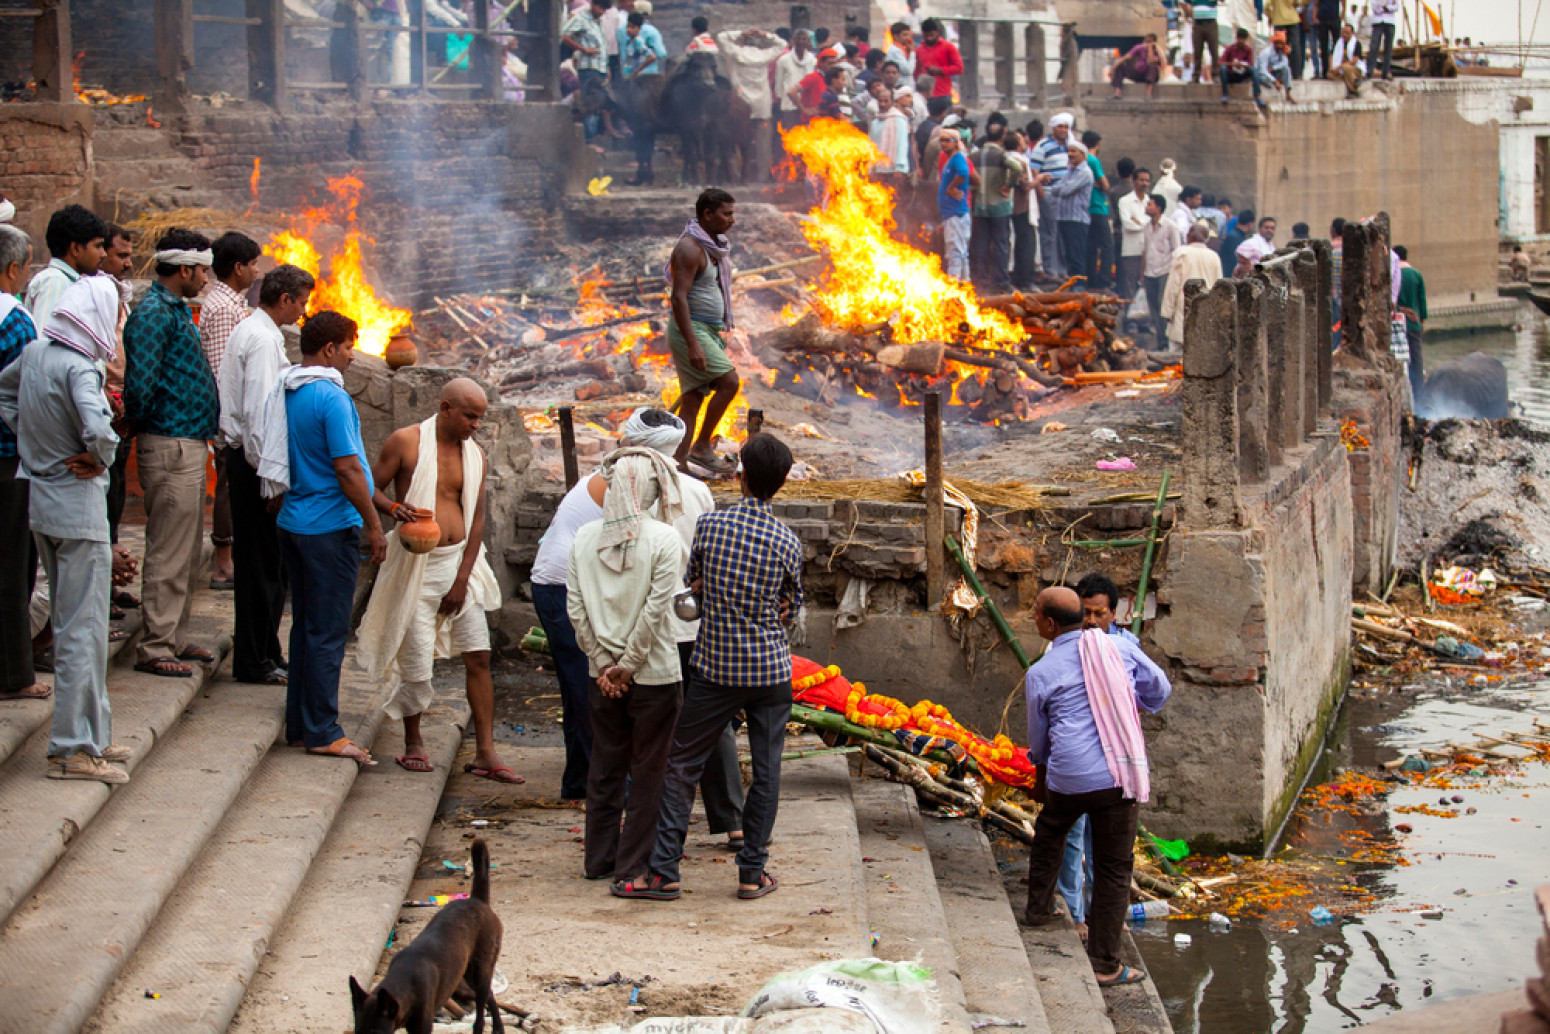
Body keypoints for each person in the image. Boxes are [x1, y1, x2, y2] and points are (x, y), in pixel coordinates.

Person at [624, 434, 802, 902]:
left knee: (682, 764)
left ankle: (663, 872)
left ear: (738, 475)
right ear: (780, 485)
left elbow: (692, 587)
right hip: (769, 672)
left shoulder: (711, 525)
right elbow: (791, 607)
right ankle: (751, 874)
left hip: (716, 667)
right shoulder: (788, 540)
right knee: (766, 772)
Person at [0, 276, 129, 782]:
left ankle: (92, 736)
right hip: (75, 506)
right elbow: (99, 431)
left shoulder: (34, 353)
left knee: (80, 623)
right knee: (82, 629)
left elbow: (4, 396)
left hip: (43, 500)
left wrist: (33, 444)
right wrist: (100, 457)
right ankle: (73, 748)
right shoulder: (78, 366)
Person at [359, 378, 517, 783]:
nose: (476, 425)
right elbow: (367, 487)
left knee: (479, 655)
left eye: (480, 417)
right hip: (416, 565)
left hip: (458, 563)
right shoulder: (405, 442)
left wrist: (463, 576)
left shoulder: (475, 454)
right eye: (470, 415)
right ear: (445, 408)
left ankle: (486, 751)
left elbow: (477, 518)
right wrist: (393, 508)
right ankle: (413, 743)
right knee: (416, 659)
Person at [259, 311, 393, 768]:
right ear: (331, 349)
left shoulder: (291, 388)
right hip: (328, 529)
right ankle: (323, 731)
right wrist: (375, 526)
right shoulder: (332, 398)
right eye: (350, 346)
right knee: (328, 633)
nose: (354, 355)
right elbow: (348, 468)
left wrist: (390, 506)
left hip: (295, 522)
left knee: (306, 628)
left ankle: (301, 724)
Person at [1021, 587, 1171, 987]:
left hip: (1068, 775)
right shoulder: (1119, 649)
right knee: (1114, 867)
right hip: (1115, 775)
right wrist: (1127, 703)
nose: (1032, 619)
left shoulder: (1041, 671)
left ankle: (1038, 910)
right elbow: (1160, 688)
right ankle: (1105, 964)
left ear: (1050, 625)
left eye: (1034, 613)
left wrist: (1042, 775)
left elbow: (1039, 741)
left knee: (1051, 832)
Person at [566, 445, 686, 888]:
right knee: (650, 773)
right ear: (653, 492)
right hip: (653, 675)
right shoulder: (666, 540)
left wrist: (604, 664)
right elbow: (657, 611)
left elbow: (575, 610)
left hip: (602, 677)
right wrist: (629, 666)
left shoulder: (583, 538)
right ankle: (632, 867)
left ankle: (598, 860)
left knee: (606, 766)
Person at [122, 228, 219, 680]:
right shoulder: (153, 315)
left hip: (188, 442)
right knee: (166, 547)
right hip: (169, 442)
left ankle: (174, 637)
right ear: (183, 269)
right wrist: (138, 423)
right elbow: (140, 385)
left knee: (184, 548)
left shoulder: (175, 311)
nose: (205, 278)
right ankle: (155, 644)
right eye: (202, 270)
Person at [217, 264, 314, 687]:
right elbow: (258, 417)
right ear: (285, 299)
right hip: (253, 466)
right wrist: (271, 480)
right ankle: (254, 659)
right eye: (302, 302)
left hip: (254, 464)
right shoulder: (258, 339)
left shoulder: (262, 334)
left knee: (269, 567)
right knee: (259, 567)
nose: (303, 311)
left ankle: (266, 652)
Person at [199, 231, 262, 591]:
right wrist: (232, 426)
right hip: (229, 420)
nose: (256, 271)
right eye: (252, 264)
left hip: (234, 419)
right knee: (225, 486)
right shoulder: (223, 309)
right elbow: (225, 372)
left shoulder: (233, 304)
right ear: (237, 268)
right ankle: (223, 564)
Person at [0, 224, 46, 704]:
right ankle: (14, 673)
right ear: (13, 269)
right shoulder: (16, 322)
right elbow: (23, 394)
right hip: (8, 460)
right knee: (13, 567)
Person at [665, 189, 741, 475]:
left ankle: (679, 461)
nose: (732, 220)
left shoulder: (711, 247)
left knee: (693, 399)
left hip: (706, 329)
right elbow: (678, 298)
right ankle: (702, 448)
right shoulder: (689, 248)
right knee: (730, 383)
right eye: (726, 214)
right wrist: (694, 344)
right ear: (707, 215)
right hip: (691, 329)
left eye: (733, 213)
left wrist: (712, 333)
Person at [99, 225, 136, 558]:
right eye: (120, 255)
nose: (127, 263)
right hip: (104, 407)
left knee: (116, 495)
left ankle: (110, 576)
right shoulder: (97, 297)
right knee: (104, 496)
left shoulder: (119, 295)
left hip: (120, 408)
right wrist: (110, 399)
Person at [24, 205, 106, 333]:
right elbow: (45, 340)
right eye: (98, 246)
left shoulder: (70, 282)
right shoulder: (54, 282)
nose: (103, 254)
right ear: (75, 249)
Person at [971, 122, 1022, 294]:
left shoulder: (974, 156)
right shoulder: (1001, 155)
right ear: (1002, 137)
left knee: (981, 245)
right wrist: (1009, 185)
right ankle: (1002, 282)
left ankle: (981, 281)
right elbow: (1017, 167)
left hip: (980, 207)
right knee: (1001, 245)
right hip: (999, 207)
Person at [621, 12, 670, 185]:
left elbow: (652, 56)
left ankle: (644, 172)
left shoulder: (638, 41)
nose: (629, 30)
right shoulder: (629, 41)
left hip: (638, 85)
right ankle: (643, 172)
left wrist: (637, 71)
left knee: (641, 128)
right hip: (631, 84)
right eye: (628, 26)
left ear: (639, 28)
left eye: (632, 27)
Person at [1160, 224, 1224, 347]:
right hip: (1207, 308)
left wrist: (1167, 312)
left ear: (1189, 236)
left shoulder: (1181, 253)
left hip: (1183, 306)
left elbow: (1173, 285)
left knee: (1177, 350)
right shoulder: (1214, 257)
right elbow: (1219, 286)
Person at [1044, 142, 1095, 292]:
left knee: (1076, 254)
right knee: (1068, 254)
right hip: (1065, 218)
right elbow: (1055, 189)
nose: (1070, 154)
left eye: (1074, 151)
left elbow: (1065, 190)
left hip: (1077, 219)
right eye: (1069, 151)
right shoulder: (1070, 172)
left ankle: (1079, 286)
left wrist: (1063, 188)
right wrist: (1063, 188)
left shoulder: (1085, 172)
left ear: (1082, 154)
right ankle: (1073, 283)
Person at [561, 0, 612, 144]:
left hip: (600, 68)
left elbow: (603, 47)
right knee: (590, 105)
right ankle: (589, 141)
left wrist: (606, 67)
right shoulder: (580, 19)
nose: (601, 11)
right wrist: (583, 49)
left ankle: (592, 139)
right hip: (588, 68)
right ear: (593, 5)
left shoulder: (599, 23)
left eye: (604, 9)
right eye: (599, 7)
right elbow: (565, 36)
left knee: (598, 105)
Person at [1032, 114, 1074, 279]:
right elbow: (1035, 169)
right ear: (1053, 128)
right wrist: (1041, 192)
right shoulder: (1043, 146)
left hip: (1065, 197)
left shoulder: (1069, 145)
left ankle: (1062, 270)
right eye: (1060, 127)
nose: (1063, 130)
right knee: (1049, 232)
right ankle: (1051, 270)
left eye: (1065, 127)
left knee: (1061, 233)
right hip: (1049, 194)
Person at [1141, 194, 1181, 347]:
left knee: (1163, 307)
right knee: (1153, 309)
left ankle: (1166, 341)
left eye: (1150, 204)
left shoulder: (1170, 226)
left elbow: (1176, 251)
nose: (1147, 207)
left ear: (1158, 208)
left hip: (1165, 271)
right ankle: (1160, 341)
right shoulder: (1147, 227)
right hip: (1149, 272)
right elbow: (1144, 251)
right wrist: (1142, 273)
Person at [938, 131, 975, 283]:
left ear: (956, 142)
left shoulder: (958, 158)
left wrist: (951, 188)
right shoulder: (950, 160)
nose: (944, 143)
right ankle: (965, 284)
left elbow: (963, 173)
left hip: (956, 214)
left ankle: (953, 289)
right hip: (951, 214)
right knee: (961, 253)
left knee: (955, 253)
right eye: (942, 140)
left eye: (948, 140)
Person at [1116, 167, 1152, 320]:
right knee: (1130, 285)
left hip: (1148, 250)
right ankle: (1130, 320)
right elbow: (1127, 223)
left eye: (1147, 180)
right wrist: (1145, 223)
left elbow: (1153, 222)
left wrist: (1139, 222)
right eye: (1141, 180)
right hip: (1131, 249)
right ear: (1134, 180)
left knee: (1145, 285)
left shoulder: (1150, 201)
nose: (1144, 183)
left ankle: (1143, 320)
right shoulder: (1125, 201)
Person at [1081, 132, 1114, 292]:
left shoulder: (1082, 160)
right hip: (1098, 206)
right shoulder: (1093, 160)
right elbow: (1105, 185)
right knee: (1107, 245)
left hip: (1087, 208)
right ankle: (1104, 281)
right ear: (1098, 143)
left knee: (1092, 245)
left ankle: (1091, 279)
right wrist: (1102, 185)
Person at [1395, 245, 1427, 400]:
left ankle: (1403, 397)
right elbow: (1423, 305)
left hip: (1397, 326)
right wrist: (1421, 324)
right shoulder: (1416, 275)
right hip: (1414, 325)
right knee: (1416, 363)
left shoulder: (1393, 275)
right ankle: (1419, 397)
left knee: (1400, 362)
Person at [774, 29, 816, 143]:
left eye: (805, 39)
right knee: (792, 137)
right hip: (789, 106)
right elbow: (779, 83)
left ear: (808, 42)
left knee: (808, 138)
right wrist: (781, 98)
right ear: (793, 41)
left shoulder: (812, 60)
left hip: (808, 106)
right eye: (799, 39)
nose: (802, 42)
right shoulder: (783, 60)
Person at [915, 19, 962, 99]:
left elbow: (959, 68)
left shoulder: (949, 47)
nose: (929, 38)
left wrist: (940, 70)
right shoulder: (919, 50)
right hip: (923, 95)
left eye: (931, 35)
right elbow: (916, 72)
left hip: (942, 94)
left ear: (937, 32)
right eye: (926, 36)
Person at [1268, 0, 1306, 79]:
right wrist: (1298, 3)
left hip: (1278, 20)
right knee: (1295, 46)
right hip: (1292, 19)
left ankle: (1279, 73)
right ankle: (1297, 74)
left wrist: (1271, 16)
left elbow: (1267, 6)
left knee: (1279, 47)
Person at [1256, 30, 1295, 101]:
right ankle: (1276, 82)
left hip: (1273, 72)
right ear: (1275, 43)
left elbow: (1284, 63)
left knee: (1287, 69)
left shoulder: (1281, 51)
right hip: (1262, 75)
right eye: (1278, 43)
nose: (1280, 46)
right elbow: (1262, 70)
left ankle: (1288, 94)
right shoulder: (1266, 53)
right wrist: (1274, 81)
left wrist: (1273, 68)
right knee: (1267, 81)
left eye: (1281, 44)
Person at [1328, 22, 1364, 94]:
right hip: (1340, 69)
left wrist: (1340, 67)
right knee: (1329, 74)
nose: (1344, 35)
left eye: (1347, 33)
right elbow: (1331, 55)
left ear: (1352, 34)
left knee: (1346, 68)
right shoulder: (1338, 43)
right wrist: (1332, 68)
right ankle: (1354, 80)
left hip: (1353, 68)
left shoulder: (1357, 44)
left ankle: (1353, 90)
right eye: (1343, 32)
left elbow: (1354, 61)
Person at [1188, 0, 1219, 81]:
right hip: (1198, 24)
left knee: (1214, 51)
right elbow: (1182, 2)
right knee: (1197, 51)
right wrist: (1190, 13)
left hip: (1211, 23)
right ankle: (1196, 76)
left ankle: (1215, 75)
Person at [1368, 0, 1396, 78]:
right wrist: (1387, 8)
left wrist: (1384, 7)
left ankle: (1385, 72)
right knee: (1374, 47)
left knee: (1388, 48)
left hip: (1390, 22)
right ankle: (1369, 70)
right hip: (1377, 22)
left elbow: (1396, 7)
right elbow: (1374, 7)